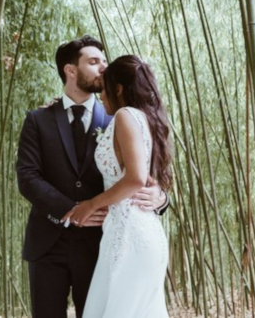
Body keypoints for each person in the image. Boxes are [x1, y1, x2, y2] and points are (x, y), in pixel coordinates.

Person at [15, 36, 169, 318]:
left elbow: (146, 174)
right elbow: (27, 177)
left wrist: (161, 198)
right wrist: (70, 210)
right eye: (94, 61)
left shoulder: (120, 116)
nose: (103, 68)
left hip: (102, 245)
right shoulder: (38, 119)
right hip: (48, 244)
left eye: (105, 61)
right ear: (70, 70)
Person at [64, 55, 172, 318]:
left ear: (119, 88)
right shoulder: (145, 118)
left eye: (104, 88)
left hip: (129, 235)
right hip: (138, 230)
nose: (101, 96)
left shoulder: (125, 115)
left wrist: (91, 204)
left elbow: (135, 179)